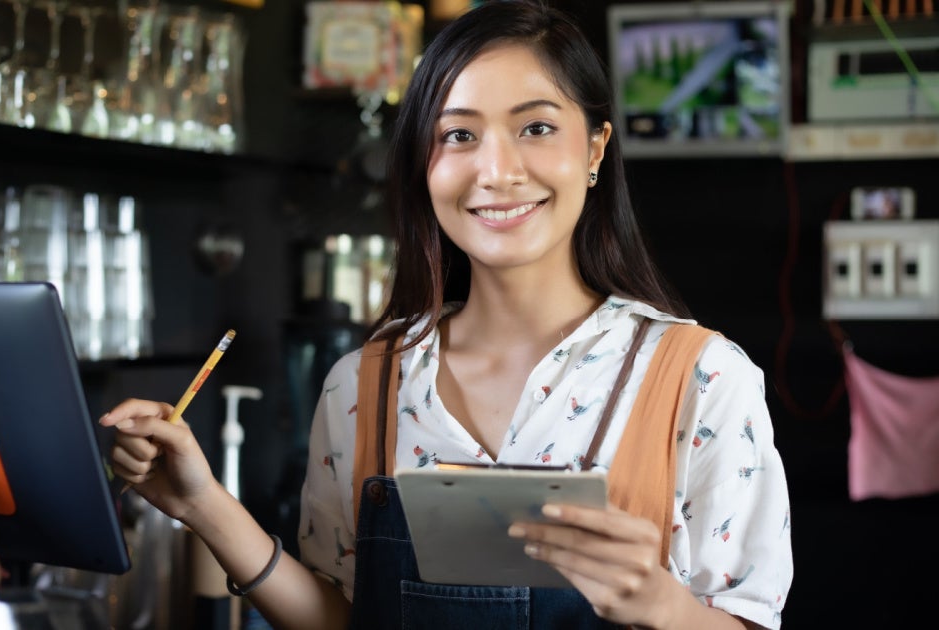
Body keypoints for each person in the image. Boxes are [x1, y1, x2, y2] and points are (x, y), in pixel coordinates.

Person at [101, 1, 793, 628]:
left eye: (537, 127)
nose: (497, 171)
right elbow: (345, 619)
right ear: (423, 165)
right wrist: (201, 504)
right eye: (459, 135)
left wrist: (665, 607)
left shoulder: (700, 379)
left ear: (594, 149)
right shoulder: (364, 384)